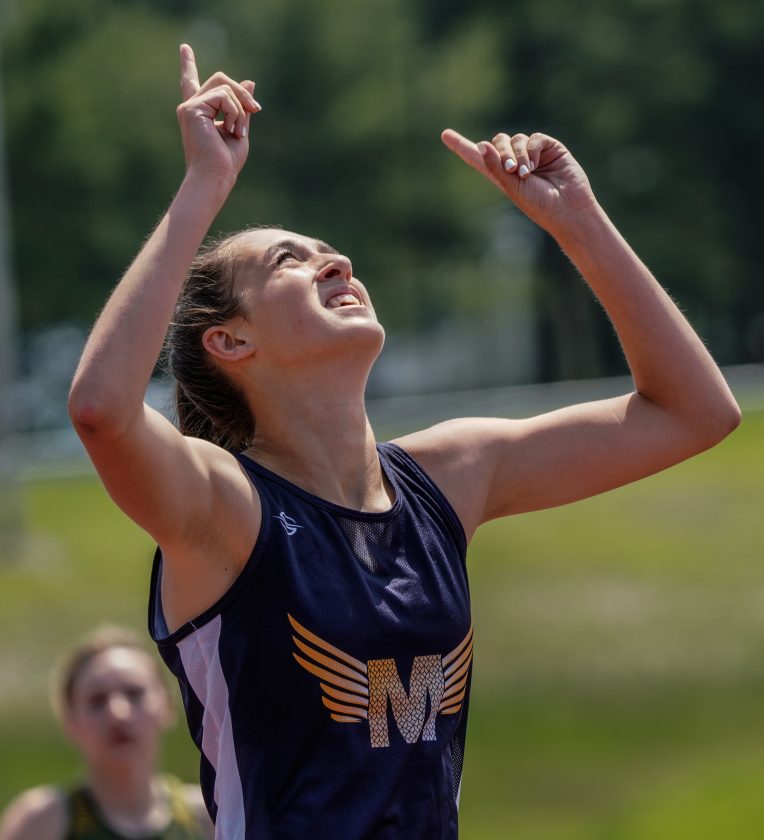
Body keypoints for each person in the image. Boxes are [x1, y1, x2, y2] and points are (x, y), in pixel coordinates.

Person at [65, 43, 740, 839]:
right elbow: (102, 411)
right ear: (231, 341)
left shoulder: (449, 475)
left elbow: (696, 412)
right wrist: (204, 184)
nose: (337, 263)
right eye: (290, 260)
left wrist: (577, 222)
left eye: (331, 253)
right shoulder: (226, 510)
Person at [0, 625, 213, 840]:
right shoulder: (42, 823)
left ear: (167, 705)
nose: (117, 713)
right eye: (97, 701)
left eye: (134, 694)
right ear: (70, 720)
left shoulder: (206, 817)